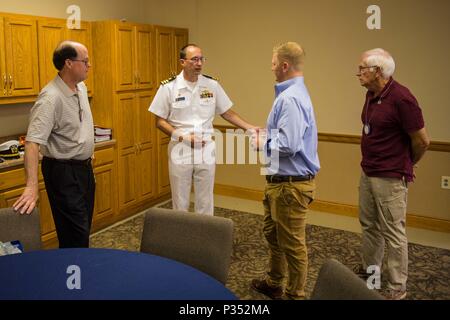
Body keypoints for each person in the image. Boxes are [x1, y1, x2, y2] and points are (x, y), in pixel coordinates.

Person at [355, 48, 430, 300]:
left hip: (390, 176)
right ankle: (371, 270)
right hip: (369, 171)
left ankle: (397, 287)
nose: (358, 73)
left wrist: (408, 162)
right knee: (369, 224)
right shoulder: (371, 94)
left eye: (362, 68)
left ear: (378, 71)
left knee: (393, 232)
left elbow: (422, 140)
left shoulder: (402, 98)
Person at [149, 44, 257, 215]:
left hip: (206, 148)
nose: (199, 63)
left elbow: (227, 113)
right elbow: (159, 121)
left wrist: (250, 128)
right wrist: (183, 137)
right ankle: (181, 239)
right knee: (180, 199)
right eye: (194, 59)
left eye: (201, 59)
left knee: (205, 200)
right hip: (180, 148)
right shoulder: (168, 87)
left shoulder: (211, 85)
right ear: (182, 62)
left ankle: (204, 238)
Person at [250, 42, 320, 300]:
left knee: (292, 245)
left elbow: (289, 144)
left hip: (290, 185)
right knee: (275, 237)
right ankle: (274, 282)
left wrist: (262, 142)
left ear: (284, 65)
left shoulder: (291, 98)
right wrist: (268, 135)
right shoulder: (291, 94)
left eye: (272, 63)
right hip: (280, 182)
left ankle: (295, 295)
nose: (271, 68)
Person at [13, 41, 95, 248]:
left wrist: (86, 149)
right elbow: (32, 143)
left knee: (83, 229)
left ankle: (77, 273)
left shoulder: (81, 87)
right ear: (68, 63)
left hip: (83, 169)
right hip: (63, 172)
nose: (89, 65)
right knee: (74, 235)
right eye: (85, 61)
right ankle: (73, 276)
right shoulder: (50, 98)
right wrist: (31, 186)